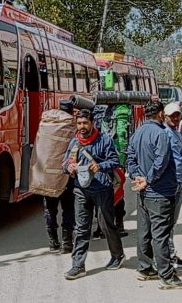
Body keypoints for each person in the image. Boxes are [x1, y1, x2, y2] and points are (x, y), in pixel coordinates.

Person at [127, 100, 182, 289]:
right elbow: (162, 161)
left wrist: (138, 176)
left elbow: (130, 156)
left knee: (144, 230)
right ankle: (167, 276)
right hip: (159, 191)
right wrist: (148, 179)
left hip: (145, 191)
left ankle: (145, 268)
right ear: (161, 114)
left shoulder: (137, 133)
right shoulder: (161, 134)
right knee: (160, 234)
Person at [61, 109, 124, 280]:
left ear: (92, 123)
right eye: (79, 123)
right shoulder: (74, 143)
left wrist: (100, 166)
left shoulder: (104, 140)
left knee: (106, 225)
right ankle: (78, 265)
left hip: (102, 190)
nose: (82, 126)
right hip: (81, 190)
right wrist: (69, 167)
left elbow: (115, 162)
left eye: (85, 123)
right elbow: (64, 164)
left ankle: (117, 255)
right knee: (81, 228)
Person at [42, 100, 76, 253]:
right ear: (71, 111)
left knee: (50, 209)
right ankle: (67, 244)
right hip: (66, 175)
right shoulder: (72, 127)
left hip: (48, 175)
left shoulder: (46, 126)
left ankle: (52, 242)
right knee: (68, 208)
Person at [163, 102, 182, 269]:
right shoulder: (166, 133)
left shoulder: (175, 132)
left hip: (179, 180)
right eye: (171, 115)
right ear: (165, 117)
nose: (175, 118)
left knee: (172, 222)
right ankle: (168, 255)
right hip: (173, 182)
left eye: (177, 115)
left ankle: (170, 254)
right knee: (168, 222)